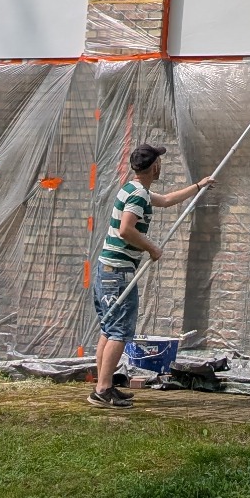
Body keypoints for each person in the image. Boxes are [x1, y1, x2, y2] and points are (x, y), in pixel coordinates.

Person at [89, 142, 211, 408]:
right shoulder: (138, 196)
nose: (161, 166)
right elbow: (126, 230)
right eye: (160, 162)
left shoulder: (133, 189)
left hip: (108, 269)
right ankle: (103, 390)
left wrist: (198, 187)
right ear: (154, 166)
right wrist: (152, 247)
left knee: (108, 329)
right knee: (119, 330)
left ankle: (103, 384)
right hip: (118, 272)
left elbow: (166, 200)